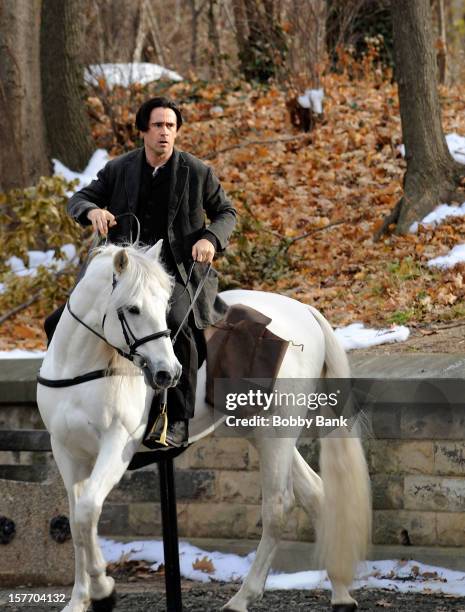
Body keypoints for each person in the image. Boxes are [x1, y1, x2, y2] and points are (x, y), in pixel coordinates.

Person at [65, 96, 237, 447]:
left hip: (178, 273)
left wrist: (209, 238)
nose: (164, 133)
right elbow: (79, 199)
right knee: (62, 319)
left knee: (175, 324)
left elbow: (226, 213)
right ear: (143, 131)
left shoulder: (197, 171)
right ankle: (68, 396)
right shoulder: (119, 169)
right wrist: (92, 212)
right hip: (126, 274)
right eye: (157, 125)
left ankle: (176, 421)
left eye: (170, 126)